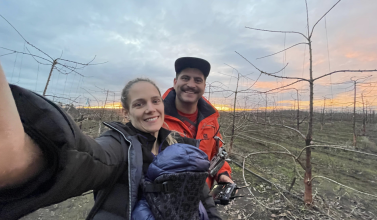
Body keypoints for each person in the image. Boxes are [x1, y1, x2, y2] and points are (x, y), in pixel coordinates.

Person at [0, 62, 221, 220]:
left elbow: (199, 188)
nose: (150, 109)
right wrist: (30, 157)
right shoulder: (119, 144)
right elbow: (91, 159)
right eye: (139, 104)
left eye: (155, 101)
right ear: (126, 113)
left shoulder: (178, 143)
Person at [162, 57, 234, 188]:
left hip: (204, 200)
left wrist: (223, 174)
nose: (191, 84)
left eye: (198, 80)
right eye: (185, 78)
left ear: (204, 86)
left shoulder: (211, 120)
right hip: (165, 200)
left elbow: (217, 153)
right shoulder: (158, 118)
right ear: (175, 82)